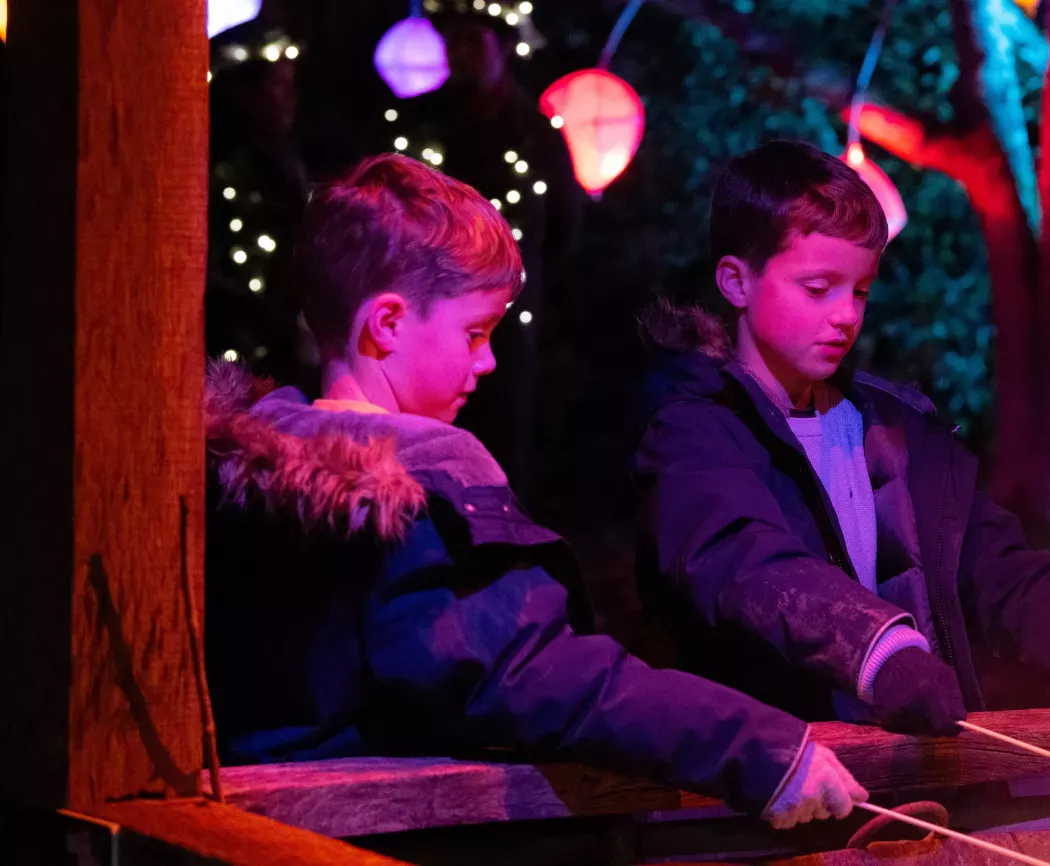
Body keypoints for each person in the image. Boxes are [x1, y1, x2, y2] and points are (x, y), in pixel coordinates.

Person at [204, 153, 865, 828]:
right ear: (389, 324)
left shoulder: (239, 481)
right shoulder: (415, 496)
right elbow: (541, 675)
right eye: (474, 332)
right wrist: (758, 748)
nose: (488, 361)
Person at [634, 140, 1050, 739]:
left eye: (860, 290)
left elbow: (1003, 574)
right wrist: (879, 652)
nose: (845, 314)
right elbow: (743, 559)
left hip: (922, 773)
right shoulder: (693, 432)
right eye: (818, 288)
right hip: (773, 789)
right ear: (737, 282)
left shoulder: (899, 432)